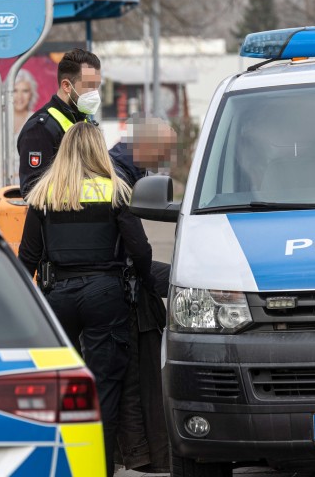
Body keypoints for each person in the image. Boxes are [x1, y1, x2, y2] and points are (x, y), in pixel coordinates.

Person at [18, 122, 153, 477]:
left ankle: (61, 464)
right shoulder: (116, 191)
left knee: (63, 384)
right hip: (105, 294)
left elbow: (27, 257)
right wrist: (143, 280)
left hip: (57, 295)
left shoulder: (44, 193)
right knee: (104, 386)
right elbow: (140, 251)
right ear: (97, 151)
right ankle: (98, 468)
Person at [109, 117, 178, 473]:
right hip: (122, 285)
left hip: (112, 281)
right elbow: (138, 250)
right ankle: (143, 456)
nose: (165, 160)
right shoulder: (119, 176)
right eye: (164, 151)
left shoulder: (125, 169)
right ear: (147, 146)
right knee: (137, 376)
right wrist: (154, 284)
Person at [17, 48, 102, 195]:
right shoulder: (39, 129)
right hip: (61, 217)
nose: (95, 93)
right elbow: (33, 190)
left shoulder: (84, 120)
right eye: (89, 86)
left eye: (97, 86)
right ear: (66, 86)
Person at [0, 69, 39, 191]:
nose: (19, 97)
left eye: (25, 91)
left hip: (31, 192)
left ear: (31, 94)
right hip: (0, 191)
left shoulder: (38, 121)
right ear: (6, 93)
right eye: (14, 90)